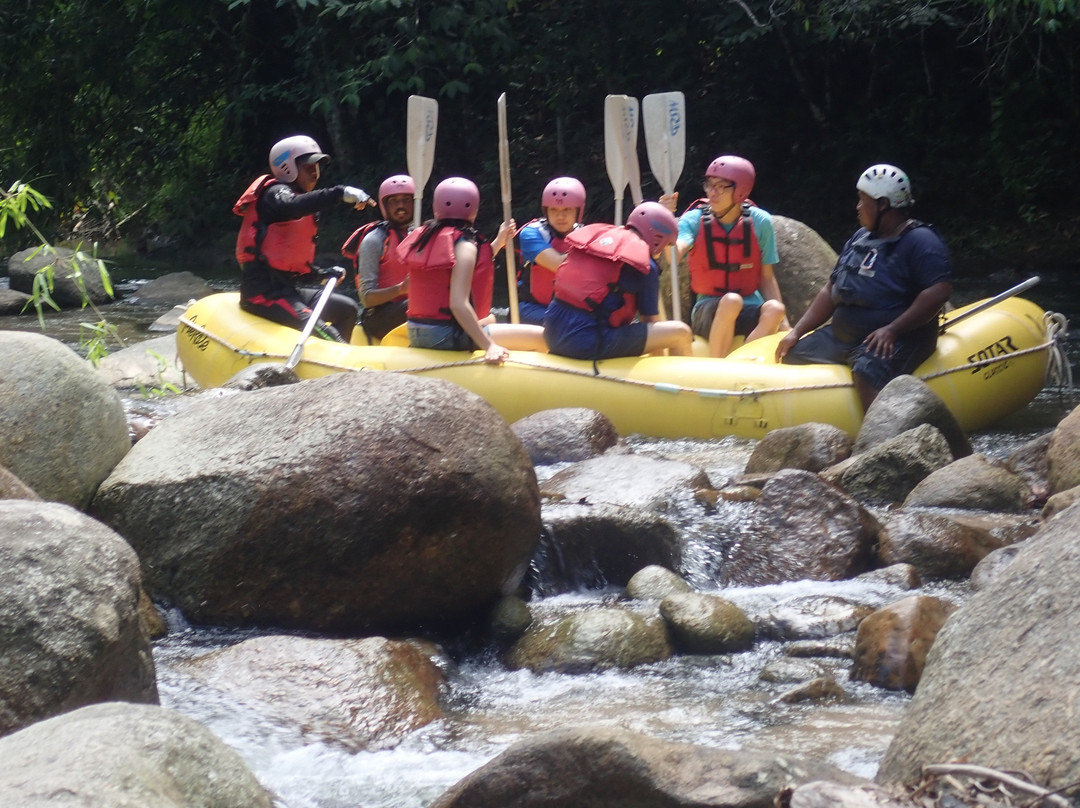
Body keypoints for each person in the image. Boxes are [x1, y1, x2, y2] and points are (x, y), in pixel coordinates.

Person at [775, 163, 953, 410]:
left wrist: (892, 329)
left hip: (899, 337)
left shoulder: (921, 241)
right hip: (844, 337)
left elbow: (938, 291)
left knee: (867, 371)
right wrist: (797, 332)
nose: (858, 207)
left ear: (883, 204)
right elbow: (831, 290)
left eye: (862, 200)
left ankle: (881, 439)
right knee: (792, 356)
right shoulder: (860, 238)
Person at [234, 134, 372, 342]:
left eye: (316, 167)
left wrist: (320, 274)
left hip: (289, 290)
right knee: (328, 335)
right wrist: (339, 193)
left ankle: (335, 365)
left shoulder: (299, 200)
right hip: (263, 294)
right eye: (308, 166)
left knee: (348, 308)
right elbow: (291, 207)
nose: (315, 173)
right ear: (287, 167)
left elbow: (290, 263)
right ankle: (341, 365)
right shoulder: (275, 194)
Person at [398, 177, 546, 364]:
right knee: (541, 336)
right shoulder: (464, 244)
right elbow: (458, 304)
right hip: (445, 335)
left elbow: (462, 266)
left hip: (417, 331)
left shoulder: (427, 236)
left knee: (491, 319)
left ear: (436, 208)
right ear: (474, 210)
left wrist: (499, 242)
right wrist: (489, 345)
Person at [662, 155, 788, 358]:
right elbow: (673, 256)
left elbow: (766, 277)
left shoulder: (760, 222)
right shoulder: (694, 219)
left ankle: (743, 360)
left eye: (721, 186)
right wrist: (666, 222)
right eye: (710, 185)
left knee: (775, 309)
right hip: (707, 310)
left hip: (748, 307)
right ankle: (717, 365)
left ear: (740, 191)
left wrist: (785, 324)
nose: (713, 192)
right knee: (731, 301)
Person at [544, 201, 693, 360]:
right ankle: (678, 381)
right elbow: (650, 323)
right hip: (587, 342)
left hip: (551, 335)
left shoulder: (597, 241)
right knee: (680, 332)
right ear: (658, 239)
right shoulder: (645, 265)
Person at [341, 174, 413, 341]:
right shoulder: (375, 240)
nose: (401, 206)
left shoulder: (422, 235)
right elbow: (366, 298)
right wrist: (401, 289)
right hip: (378, 316)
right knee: (416, 305)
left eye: (406, 200)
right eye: (394, 201)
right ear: (384, 205)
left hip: (412, 309)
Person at [515, 177, 586, 325]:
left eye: (567, 209)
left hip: (568, 310)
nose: (560, 216)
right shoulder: (531, 233)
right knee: (573, 323)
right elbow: (557, 264)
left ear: (578, 210)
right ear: (545, 210)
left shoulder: (586, 234)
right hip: (530, 309)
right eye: (554, 209)